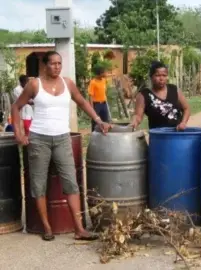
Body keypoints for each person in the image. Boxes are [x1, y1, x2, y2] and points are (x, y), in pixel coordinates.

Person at [11, 51, 112, 241]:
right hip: (39, 139)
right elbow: (16, 107)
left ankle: (79, 229)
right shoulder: (35, 84)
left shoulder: (68, 83)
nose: (57, 67)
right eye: (53, 64)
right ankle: (47, 228)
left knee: (71, 183)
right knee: (39, 184)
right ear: (45, 65)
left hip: (62, 138)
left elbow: (82, 102)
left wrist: (99, 120)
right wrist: (19, 133)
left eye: (59, 63)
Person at [130, 61, 190, 130]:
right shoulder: (143, 95)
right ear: (151, 77)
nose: (161, 79)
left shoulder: (174, 90)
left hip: (177, 134)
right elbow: (138, 116)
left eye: (164, 75)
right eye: (157, 75)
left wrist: (183, 122)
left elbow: (186, 109)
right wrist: (134, 121)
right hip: (158, 136)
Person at [88, 66, 110, 131]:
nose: (106, 74)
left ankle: (105, 135)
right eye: (104, 73)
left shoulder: (104, 80)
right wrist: (92, 108)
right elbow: (90, 96)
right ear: (100, 73)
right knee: (95, 121)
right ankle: (94, 135)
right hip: (96, 105)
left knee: (105, 120)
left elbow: (104, 91)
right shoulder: (93, 82)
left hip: (104, 104)